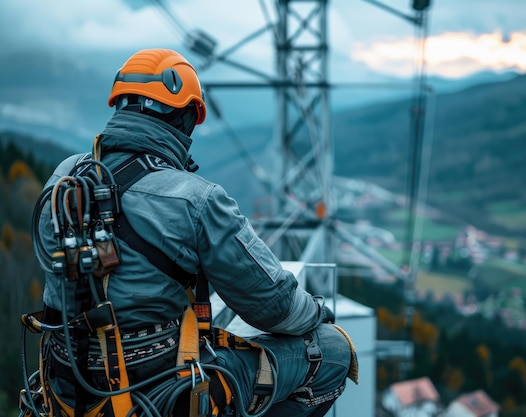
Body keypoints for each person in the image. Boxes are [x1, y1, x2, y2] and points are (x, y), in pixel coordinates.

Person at [27, 48, 356, 417]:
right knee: (332, 352)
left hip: (68, 391)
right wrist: (316, 312)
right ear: (185, 119)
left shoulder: (66, 179)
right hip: (162, 394)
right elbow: (273, 306)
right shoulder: (195, 199)